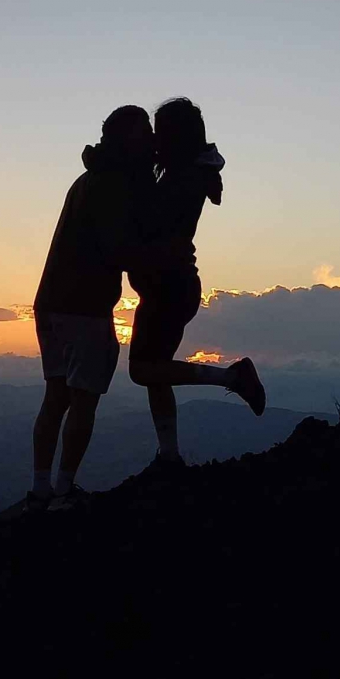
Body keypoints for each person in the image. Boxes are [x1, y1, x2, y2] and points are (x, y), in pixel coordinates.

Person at [27, 105, 194, 512]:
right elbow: (120, 249)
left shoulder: (86, 180)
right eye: (144, 135)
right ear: (127, 141)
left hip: (49, 303)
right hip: (83, 307)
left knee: (56, 396)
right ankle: (64, 492)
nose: (152, 143)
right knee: (83, 400)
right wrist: (168, 254)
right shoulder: (114, 185)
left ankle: (40, 489)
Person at [127, 98, 265, 470]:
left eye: (159, 131)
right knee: (156, 370)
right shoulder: (184, 174)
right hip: (172, 286)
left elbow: (147, 224)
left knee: (142, 370)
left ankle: (232, 377)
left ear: (173, 136)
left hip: (168, 286)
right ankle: (169, 455)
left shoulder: (179, 179)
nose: (154, 138)